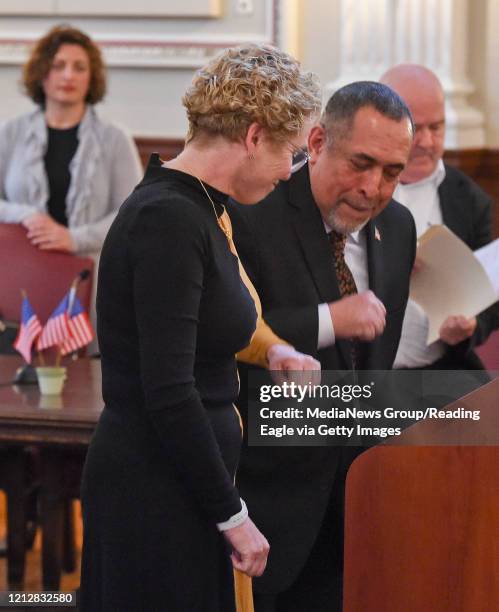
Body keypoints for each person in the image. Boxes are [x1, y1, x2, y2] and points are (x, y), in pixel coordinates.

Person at [79, 44, 322, 612]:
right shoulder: (168, 218)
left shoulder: (204, 207)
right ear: (255, 135)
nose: (289, 171)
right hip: (155, 489)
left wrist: (274, 351)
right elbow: (168, 390)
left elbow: (217, 321)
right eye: (290, 151)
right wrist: (232, 514)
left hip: (181, 481)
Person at [228, 81, 416, 611]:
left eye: (392, 173)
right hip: (265, 503)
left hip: (358, 511)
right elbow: (225, 329)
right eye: (360, 163)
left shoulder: (398, 228)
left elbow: (372, 372)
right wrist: (328, 321)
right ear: (314, 143)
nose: (373, 188)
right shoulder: (252, 212)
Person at [380, 64, 499, 370]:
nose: (429, 142)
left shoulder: (470, 200)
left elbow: (488, 297)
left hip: (440, 370)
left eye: (437, 127)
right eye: (416, 128)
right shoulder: (354, 189)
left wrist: (470, 326)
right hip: (360, 377)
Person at [0, 24, 142, 256]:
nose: (68, 75)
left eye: (79, 68)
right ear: (41, 74)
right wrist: (25, 214)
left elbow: (131, 214)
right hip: (20, 271)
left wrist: (75, 239)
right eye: (58, 66)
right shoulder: (9, 133)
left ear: (91, 77)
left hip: (91, 274)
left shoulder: (115, 139)